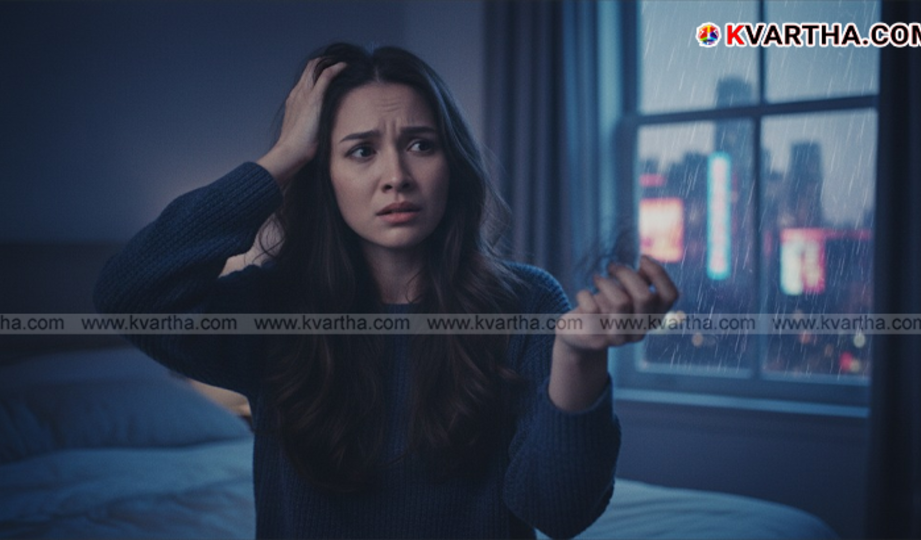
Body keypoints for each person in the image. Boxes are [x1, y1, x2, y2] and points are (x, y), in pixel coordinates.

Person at [94, 42, 678, 539]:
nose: (395, 175)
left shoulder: (525, 303)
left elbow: (560, 514)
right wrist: (282, 158)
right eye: (361, 151)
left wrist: (578, 356)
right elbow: (130, 292)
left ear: (453, 164)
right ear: (323, 174)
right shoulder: (273, 308)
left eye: (421, 144)